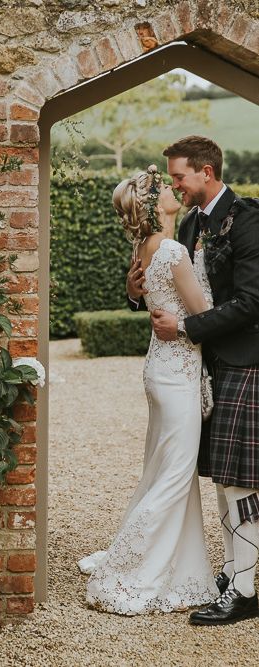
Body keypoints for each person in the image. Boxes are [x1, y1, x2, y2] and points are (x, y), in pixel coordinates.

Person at [129, 136, 259, 625]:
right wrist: (136, 294)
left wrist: (184, 329)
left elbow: (252, 303)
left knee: (238, 479)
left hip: (247, 360)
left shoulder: (248, 220)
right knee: (222, 476)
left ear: (206, 171)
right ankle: (231, 572)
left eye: (180, 176)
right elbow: (178, 288)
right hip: (205, 365)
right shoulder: (189, 223)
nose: (175, 184)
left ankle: (244, 590)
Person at [78, 165, 218, 615]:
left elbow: (145, 296)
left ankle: (183, 566)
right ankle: (127, 569)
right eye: (165, 188)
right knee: (175, 475)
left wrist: (138, 296)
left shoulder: (144, 246)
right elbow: (202, 314)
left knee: (162, 469)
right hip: (177, 372)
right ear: (155, 203)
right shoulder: (173, 250)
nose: (174, 189)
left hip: (161, 368)